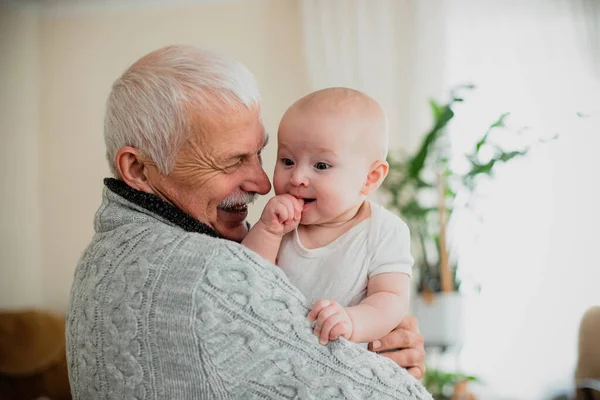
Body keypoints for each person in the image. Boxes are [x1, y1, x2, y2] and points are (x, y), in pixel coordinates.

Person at [66, 45, 429, 399]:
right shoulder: (206, 274)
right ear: (139, 169)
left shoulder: (104, 256)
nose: (265, 183)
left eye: (259, 154)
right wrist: (392, 376)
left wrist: (374, 336)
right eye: (231, 161)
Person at [242, 88, 412, 348]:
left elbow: (390, 298)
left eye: (321, 166)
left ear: (370, 178)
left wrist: (353, 321)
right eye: (287, 161)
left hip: (344, 364)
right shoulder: (280, 224)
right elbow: (246, 277)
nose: (297, 177)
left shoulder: (384, 231)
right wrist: (267, 231)